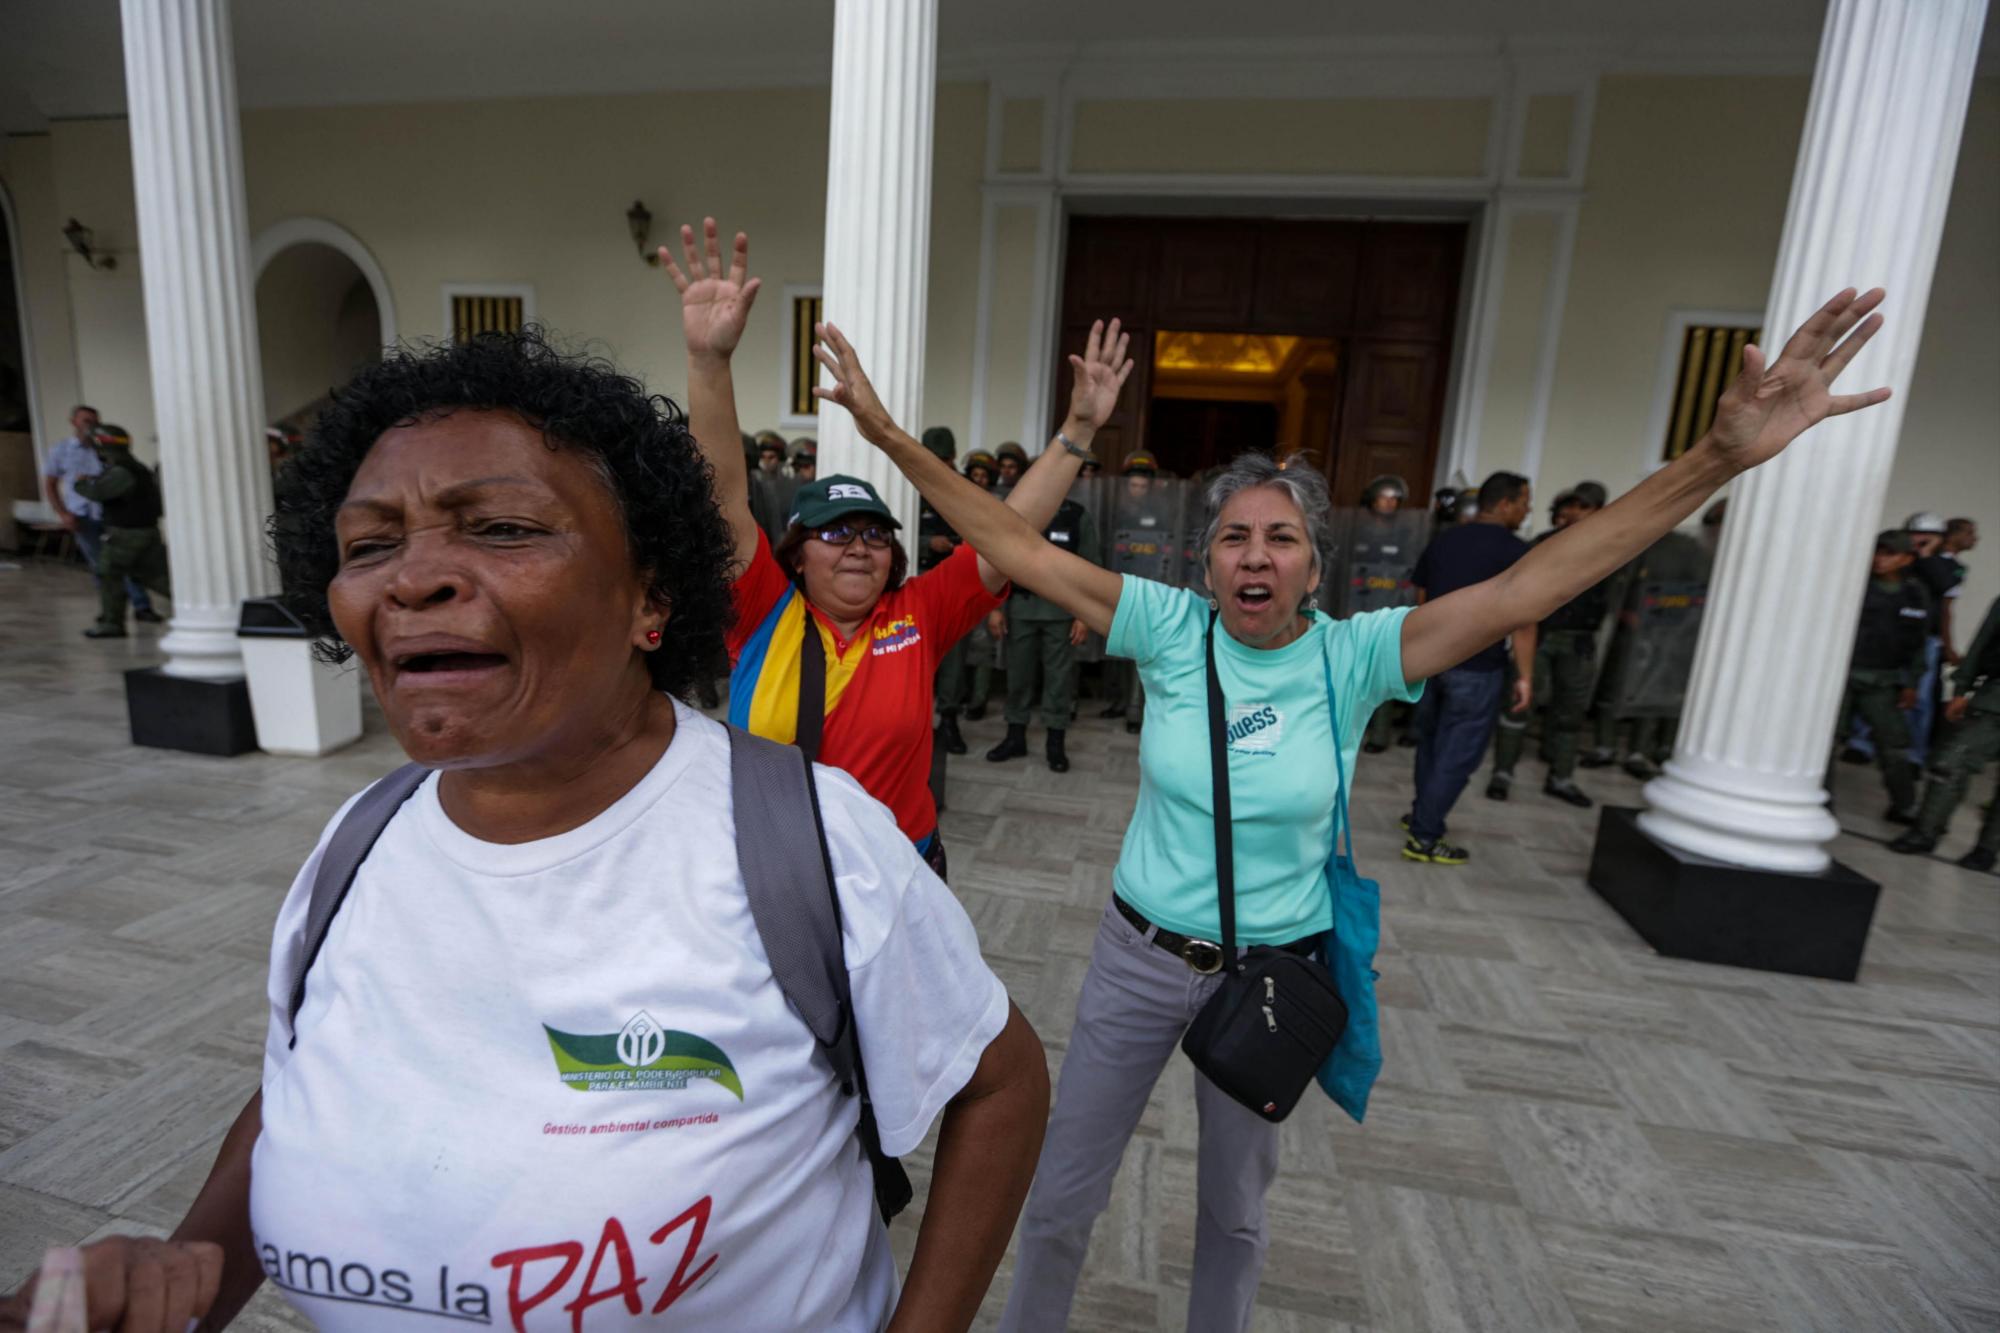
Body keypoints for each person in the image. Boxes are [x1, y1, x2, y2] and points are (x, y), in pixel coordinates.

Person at [808, 287, 1888, 1331]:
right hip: (1136, 959)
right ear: (1204, 562)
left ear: (1313, 567)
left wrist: (1715, 459)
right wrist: (886, 434)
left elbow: (1534, 586)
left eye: (1280, 537)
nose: (1255, 554)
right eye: (1234, 537)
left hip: (1273, 974)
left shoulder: (1355, 655)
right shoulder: (1170, 630)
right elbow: (1011, 546)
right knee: (1059, 1196)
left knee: (1234, 1215)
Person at [1, 329, 1054, 1333]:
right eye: (369, 544)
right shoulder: (357, 843)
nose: (412, 577)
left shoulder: (811, 843)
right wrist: (183, 1276)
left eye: (502, 528)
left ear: (649, 594)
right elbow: (298, 1079)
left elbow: (1000, 1084)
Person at [661, 217, 1131, 875]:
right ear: (797, 554)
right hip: (785, 871)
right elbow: (722, 501)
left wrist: (1077, 429)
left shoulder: (918, 614)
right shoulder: (765, 611)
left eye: (876, 532)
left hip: (902, 872)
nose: (859, 546)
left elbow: (1011, 534)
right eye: (836, 531)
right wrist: (709, 364)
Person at [1403, 471, 1535, 863]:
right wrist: (1526, 676)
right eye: (1524, 502)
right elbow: (1525, 621)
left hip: (1431, 661)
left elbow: (1421, 599)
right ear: (1505, 504)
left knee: (1431, 743)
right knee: (1458, 753)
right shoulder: (1517, 552)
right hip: (1478, 667)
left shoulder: (1444, 540)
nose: (1527, 510)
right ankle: (1425, 836)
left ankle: (1420, 815)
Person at [1488, 480, 1610, 807]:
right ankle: (1503, 773)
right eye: (1572, 505)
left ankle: (1562, 777)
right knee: (1518, 705)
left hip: (1580, 640)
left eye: (1585, 507)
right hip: (1540, 635)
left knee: (1570, 713)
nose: (1576, 512)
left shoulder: (1608, 548)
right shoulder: (1543, 544)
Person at [987, 494, 1099, 772]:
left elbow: (1091, 566)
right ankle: (1015, 736)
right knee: (1018, 675)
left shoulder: (1076, 515)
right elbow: (999, 560)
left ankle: (1055, 742)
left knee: (1059, 679)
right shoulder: (1021, 511)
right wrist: (996, 607)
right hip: (1021, 609)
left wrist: (1083, 615)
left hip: (1061, 611)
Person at [1891, 596, 2000, 871]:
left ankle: (1987, 849)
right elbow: (1983, 642)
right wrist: (1962, 688)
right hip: (1993, 701)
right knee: (1949, 764)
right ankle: (1925, 832)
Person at [1838, 530, 1933, 823]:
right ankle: (1820, 798)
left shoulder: (1915, 593)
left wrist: (1912, 684)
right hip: (1842, 676)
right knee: (1823, 743)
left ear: (1906, 559)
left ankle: (1903, 806)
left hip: (1883, 680)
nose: (1880, 559)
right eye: (1878, 552)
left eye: (1890, 554)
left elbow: (1918, 644)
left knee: (1894, 746)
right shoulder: (1855, 585)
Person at [41, 404, 162, 625]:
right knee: (101, 567)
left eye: (95, 421)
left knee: (127, 563)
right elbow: (50, 484)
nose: (92, 425)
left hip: (113, 516)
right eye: (86, 421)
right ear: (74, 422)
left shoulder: (108, 449)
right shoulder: (61, 450)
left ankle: (142, 606)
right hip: (82, 516)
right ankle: (110, 611)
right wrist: (63, 514)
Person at [70, 425, 172, 640]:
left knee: (109, 574)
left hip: (125, 535)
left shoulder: (121, 471)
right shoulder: (137, 468)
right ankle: (194, 605)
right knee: (154, 576)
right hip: (144, 531)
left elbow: (98, 492)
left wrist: (81, 483)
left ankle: (111, 623)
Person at [1097, 452, 1165, 735]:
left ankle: (1135, 709)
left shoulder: (1162, 509)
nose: (1138, 490)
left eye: (1142, 485)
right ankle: (1117, 700)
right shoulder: (1115, 508)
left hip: (1147, 586)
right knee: (1118, 644)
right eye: (1133, 485)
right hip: (1118, 583)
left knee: (1141, 650)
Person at [1904, 510, 1963, 762]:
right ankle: (1861, 744)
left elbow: (1944, 586)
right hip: (1893, 631)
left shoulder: (1950, 566)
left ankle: (1915, 754)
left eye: (1928, 535)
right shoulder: (1901, 557)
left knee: (1921, 697)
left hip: (1926, 638)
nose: (1920, 539)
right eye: (1916, 534)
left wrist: (1927, 555)